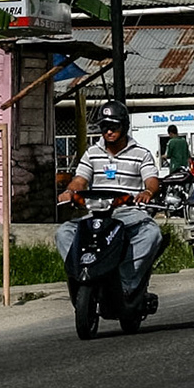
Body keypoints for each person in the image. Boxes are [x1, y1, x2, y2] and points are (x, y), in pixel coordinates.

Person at [56, 101, 165, 302]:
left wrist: (148, 191)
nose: (109, 131)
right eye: (104, 127)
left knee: (152, 234)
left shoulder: (141, 154)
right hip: (97, 213)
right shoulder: (92, 153)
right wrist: (70, 192)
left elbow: (152, 180)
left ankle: (125, 283)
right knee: (64, 232)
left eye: (114, 127)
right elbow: (80, 180)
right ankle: (81, 275)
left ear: (124, 126)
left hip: (129, 213)